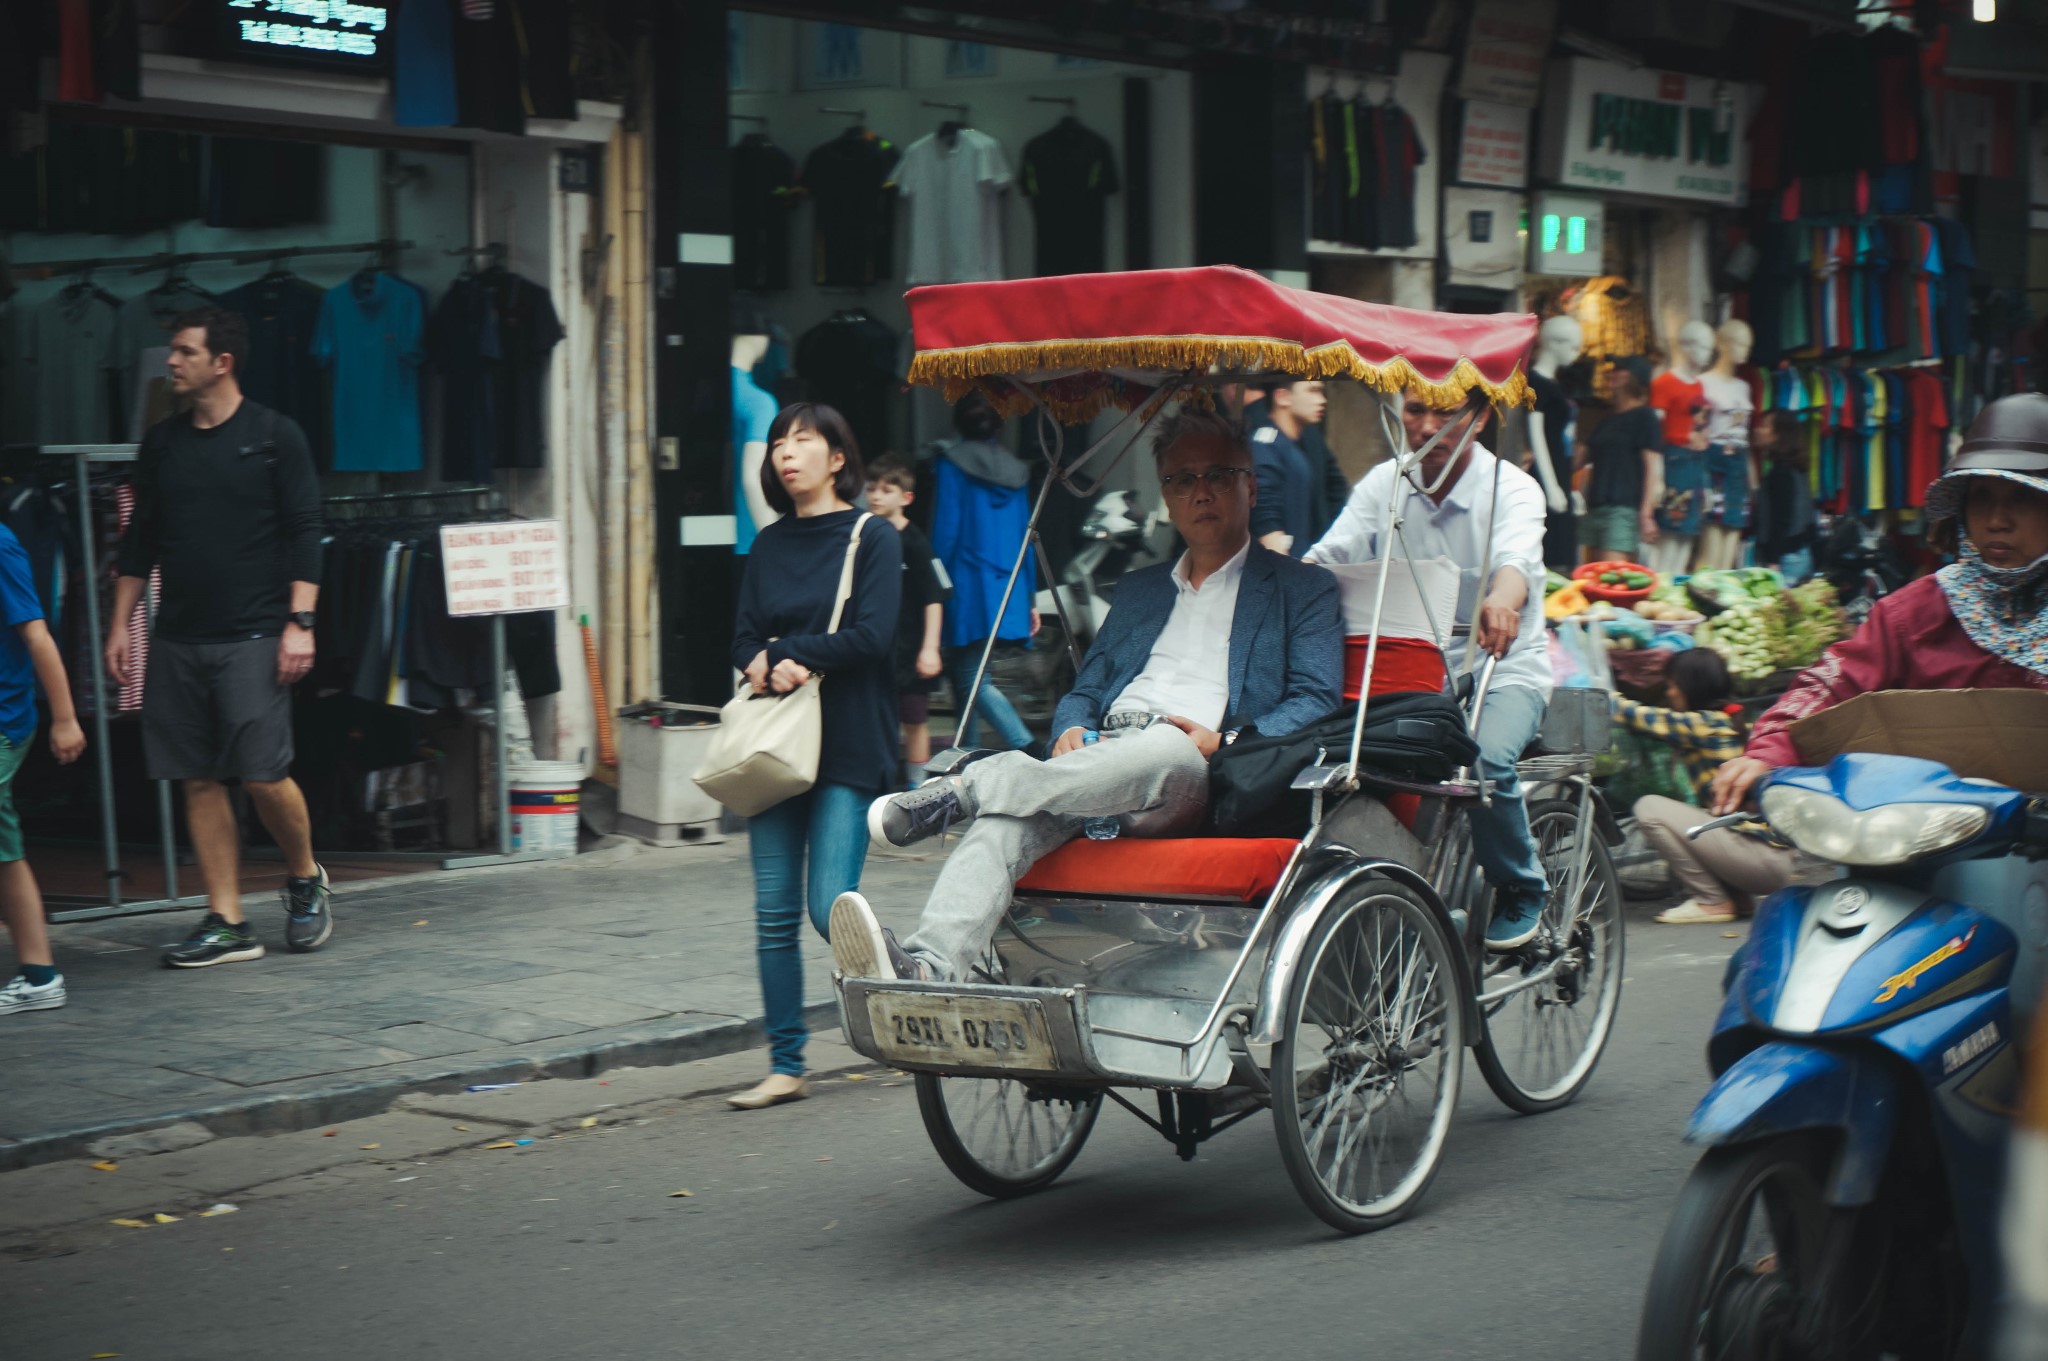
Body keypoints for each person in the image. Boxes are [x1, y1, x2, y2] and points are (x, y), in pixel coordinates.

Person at [829, 407, 1341, 984]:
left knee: (1161, 747)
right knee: (1003, 823)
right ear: (1167, 499)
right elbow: (1087, 688)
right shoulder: (1141, 590)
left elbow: (1316, 697)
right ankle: (929, 968)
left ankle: (961, 791)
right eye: (1181, 480)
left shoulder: (1302, 587)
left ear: (1250, 484)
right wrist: (1071, 725)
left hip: (1192, 766)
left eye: (1218, 475)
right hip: (1100, 757)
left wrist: (1223, 740)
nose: (1201, 493)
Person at [108, 307, 333, 969]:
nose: (171, 362)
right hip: (179, 634)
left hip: (256, 633)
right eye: (173, 350)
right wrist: (120, 623)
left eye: (183, 351)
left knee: (264, 775)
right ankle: (228, 919)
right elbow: (139, 539)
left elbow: (304, 531)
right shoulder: (164, 443)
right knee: (197, 778)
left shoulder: (274, 436)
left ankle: (303, 876)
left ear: (221, 362)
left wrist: (301, 623)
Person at [1713, 391, 2048, 820]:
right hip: (1929, 839)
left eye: (2020, 497)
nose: (1997, 520)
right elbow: (1832, 683)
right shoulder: (1917, 611)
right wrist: (1766, 753)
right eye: (1981, 497)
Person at [1306, 389, 1554, 950]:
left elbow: (1516, 562)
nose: (1427, 428)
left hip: (1504, 669)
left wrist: (1502, 599)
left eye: (1447, 412)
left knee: (1482, 760)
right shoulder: (1386, 483)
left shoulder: (1512, 489)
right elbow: (1331, 554)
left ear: (1481, 416)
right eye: (1416, 411)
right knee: (1336, 762)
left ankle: (1521, 885)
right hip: (1413, 680)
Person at [727, 403, 901, 1108]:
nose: (785, 453)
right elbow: (740, 640)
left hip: (849, 741)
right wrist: (763, 664)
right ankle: (786, 1063)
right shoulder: (768, 545)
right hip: (773, 743)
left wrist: (791, 653)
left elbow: (873, 635)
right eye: (777, 443)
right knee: (771, 912)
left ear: (837, 458)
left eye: (802, 440)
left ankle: (905, 992)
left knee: (829, 908)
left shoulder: (873, 536)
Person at [1619, 649, 1827, 925]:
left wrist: (1597, 693)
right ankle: (1736, 899)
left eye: (1671, 686)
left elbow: (1638, 716)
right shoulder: (1728, 720)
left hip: (1761, 860)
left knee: (1649, 808)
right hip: (1769, 858)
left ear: (1688, 688)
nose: (1668, 694)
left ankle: (1712, 900)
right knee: (1705, 816)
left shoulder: (1706, 724)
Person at [0, 521, 86, 1015]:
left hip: (5, 719)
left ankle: (40, 974)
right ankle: (38, 974)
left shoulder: (3, 545)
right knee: (4, 848)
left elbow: (37, 635)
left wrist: (66, 718)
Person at [929, 393, 1038, 751]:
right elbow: (1027, 535)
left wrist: (932, 586)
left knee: (972, 679)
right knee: (970, 677)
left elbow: (946, 531)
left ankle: (1025, 743)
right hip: (1007, 586)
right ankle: (965, 759)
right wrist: (1029, 598)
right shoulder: (1017, 471)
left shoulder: (952, 464)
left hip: (965, 584)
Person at [865, 456, 948, 785]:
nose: (876, 496)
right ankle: (876, 781)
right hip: (876, 648)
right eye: (871, 489)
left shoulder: (915, 543)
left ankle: (917, 785)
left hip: (911, 649)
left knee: (914, 720)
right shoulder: (866, 537)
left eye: (886, 490)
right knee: (875, 717)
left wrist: (930, 648)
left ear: (906, 498)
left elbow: (934, 596)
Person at [1576, 358, 1664, 566]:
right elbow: (1580, 459)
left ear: (1633, 378)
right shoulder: (1606, 420)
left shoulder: (1645, 417)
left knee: (1611, 576)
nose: (1612, 373)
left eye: (1619, 370)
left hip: (1623, 509)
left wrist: (1646, 513)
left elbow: (1652, 468)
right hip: (1595, 507)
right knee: (1586, 576)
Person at [1249, 379, 1347, 558]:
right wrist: (1285, 569)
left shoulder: (1295, 446)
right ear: (1282, 396)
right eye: (1313, 391)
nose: (1322, 400)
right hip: (1282, 570)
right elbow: (1264, 513)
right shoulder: (1266, 444)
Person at [1750, 410, 1819, 584]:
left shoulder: (1781, 473)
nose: (1758, 430)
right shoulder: (1796, 468)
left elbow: (1781, 520)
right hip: (1799, 553)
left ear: (1778, 435)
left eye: (1765, 426)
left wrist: (1772, 560)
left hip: (1785, 558)